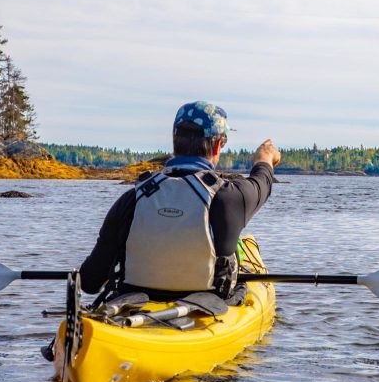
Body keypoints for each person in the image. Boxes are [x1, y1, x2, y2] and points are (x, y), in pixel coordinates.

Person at [78, 100, 281, 305]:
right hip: (207, 310)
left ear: (175, 140)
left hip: (132, 309)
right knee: (240, 286)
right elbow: (262, 182)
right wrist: (265, 157)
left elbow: (90, 282)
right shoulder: (230, 198)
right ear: (218, 144)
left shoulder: (132, 199)